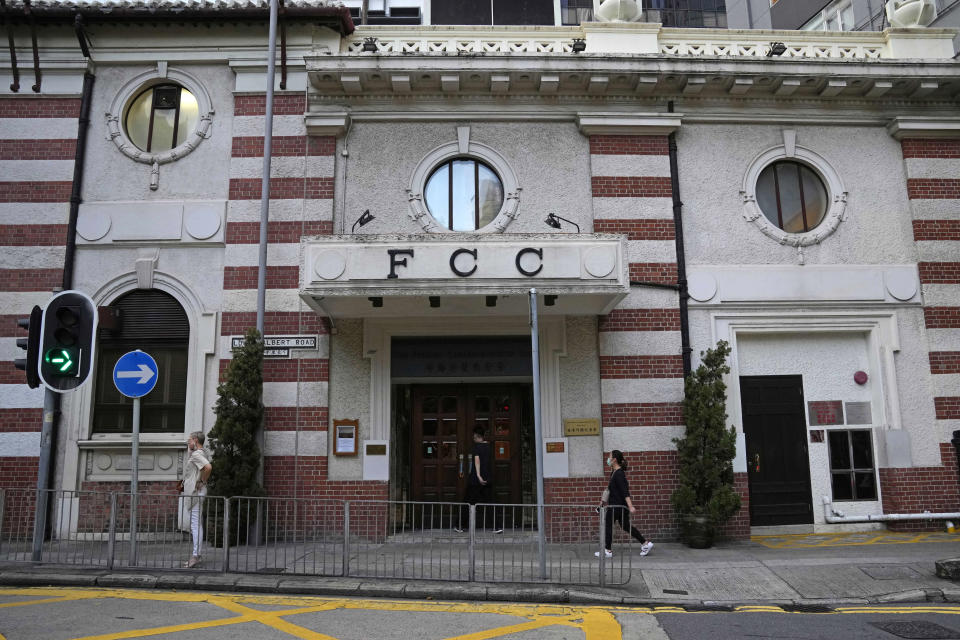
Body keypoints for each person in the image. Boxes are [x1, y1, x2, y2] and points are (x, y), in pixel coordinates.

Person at [596, 449, 653, 558]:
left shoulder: (619, 474)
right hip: (618, 506)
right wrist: (602, 502)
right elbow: (609, 489)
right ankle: (645, 544)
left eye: (609, 457)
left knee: (608, 525)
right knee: (626, 526)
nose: (607, 459)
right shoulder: (614, 472)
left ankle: (607, 550)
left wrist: (630, 506)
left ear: (614, 460)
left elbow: (625, 491)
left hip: (616, 506)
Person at [456, 426, 502, 533]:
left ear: (477, 436)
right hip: (487, 479)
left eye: (474, 436)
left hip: (475, 480)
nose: (473, 437)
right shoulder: (489, 447)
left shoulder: (476, 447)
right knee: (490, 503)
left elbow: (477, 461)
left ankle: (460, 525)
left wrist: (478, 475)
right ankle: (497, 526)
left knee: (468, 502)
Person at [179, 430, 211, 568]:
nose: (188, 442)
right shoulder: (200, 452)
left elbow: (208, 467)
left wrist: (202, 481)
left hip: (195, 493)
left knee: (195, 524)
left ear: (196, 440)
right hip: (197, 492)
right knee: (196, 523)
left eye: (190, 440)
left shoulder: (198, 454)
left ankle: (195, 556)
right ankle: (196, 554)